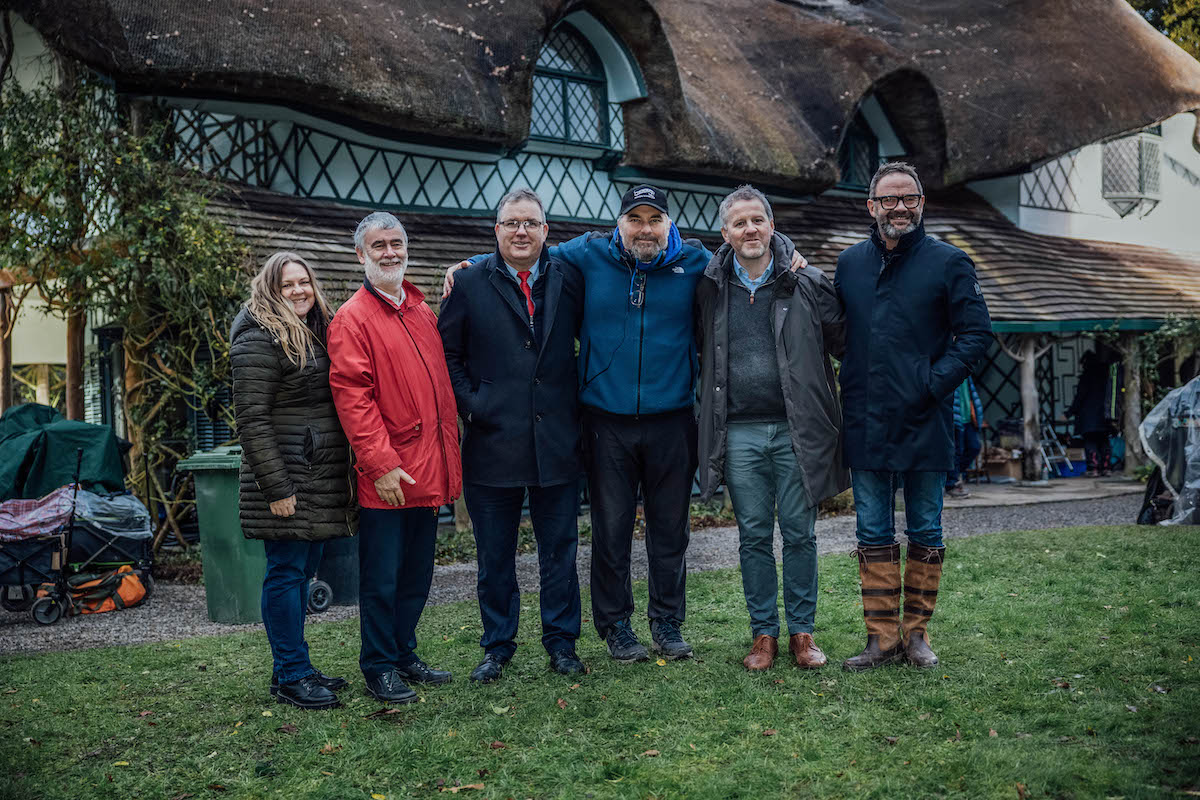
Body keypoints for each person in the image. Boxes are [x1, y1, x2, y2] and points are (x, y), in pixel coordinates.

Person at [443, 185, 806, 664]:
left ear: (668, 224)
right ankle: (616, 627)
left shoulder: (696, 262)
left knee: (670, 530)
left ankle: (667, 623)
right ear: (619, 223)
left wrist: (789, 251)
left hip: (672, 419)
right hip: (604, 420)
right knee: (611, 530)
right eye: (634, 218)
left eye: (654, 219)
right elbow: (526, 247)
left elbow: (747, 249)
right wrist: (467, 264)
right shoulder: (588, 253)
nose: (644, 228)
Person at [835, 162, 992, 671]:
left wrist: (931, 382)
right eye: (889, 199)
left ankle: (917, 635)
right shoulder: (849, 264)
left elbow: (975, 335)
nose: (899, 207)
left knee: (926, 527)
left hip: (926, 416)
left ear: (921, 203)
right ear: (871, 206)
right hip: (864, 415)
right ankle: (881, 639)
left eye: (909, 198)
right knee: (872, 530)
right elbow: (837, 332)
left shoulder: (950, 262)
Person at [695, 186, 848, 671]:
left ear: (771, 225)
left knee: (800, 533)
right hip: (737, 432)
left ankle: (803, 633)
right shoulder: (708, 286)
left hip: (795, 430)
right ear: (725, 233)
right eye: (739, 223)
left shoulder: (807, 282)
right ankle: (764, 635)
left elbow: (847, 341)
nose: (750, 229)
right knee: (754, 535)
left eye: (758, 220)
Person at [437, 188, 587, 682]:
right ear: (495, 230)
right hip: (493, 441)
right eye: (510, 223)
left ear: (547, 231)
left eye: (530, 223)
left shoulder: (571, 278)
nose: (520, 231)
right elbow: (448, 357)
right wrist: (475, 404)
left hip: (557, 440)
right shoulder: (468, 282)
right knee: (494, 554)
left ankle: (562, 643)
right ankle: (497, 646)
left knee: (560, 551)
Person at [328, 212, 462, 704]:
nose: (390, 253)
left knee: (416, 574)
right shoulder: (352, 319)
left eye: (397, 243)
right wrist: (380, 465)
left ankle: (404, 651)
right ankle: (379, 665)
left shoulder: (421, 310)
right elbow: (353, 398)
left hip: (427, 467)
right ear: (361, 255)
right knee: (382, 580)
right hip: (388, 474)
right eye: (379, 246)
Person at [231, 252, 355, 709]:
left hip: (316, 476)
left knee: (301, 573)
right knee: (285, 573)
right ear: (270, 290)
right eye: (288, 285)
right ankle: (291, 676)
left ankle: (292, 665)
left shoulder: (312, 331)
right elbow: (252, 420)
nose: (300, 290)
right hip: (286, 478)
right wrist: (277, 488)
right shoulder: (259, 339)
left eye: (304, 282)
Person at [1066, 350, 1119, 477]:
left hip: (1088, 416)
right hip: (1105, 414)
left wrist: (1069, 412)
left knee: (1091, 441)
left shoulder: (1087, 376)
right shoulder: (1107, 375)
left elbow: (1080, 397)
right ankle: (1106, 468)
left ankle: (1093, 468)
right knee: (1104, 440)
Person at [945, 376, 984, 498]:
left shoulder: (967, 374)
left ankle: (952, 476)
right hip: (955, 418)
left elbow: (972, 394)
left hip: (968, 418)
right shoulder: (950, 370)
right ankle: (951, 483)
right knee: (957, 451)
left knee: (974, 447)